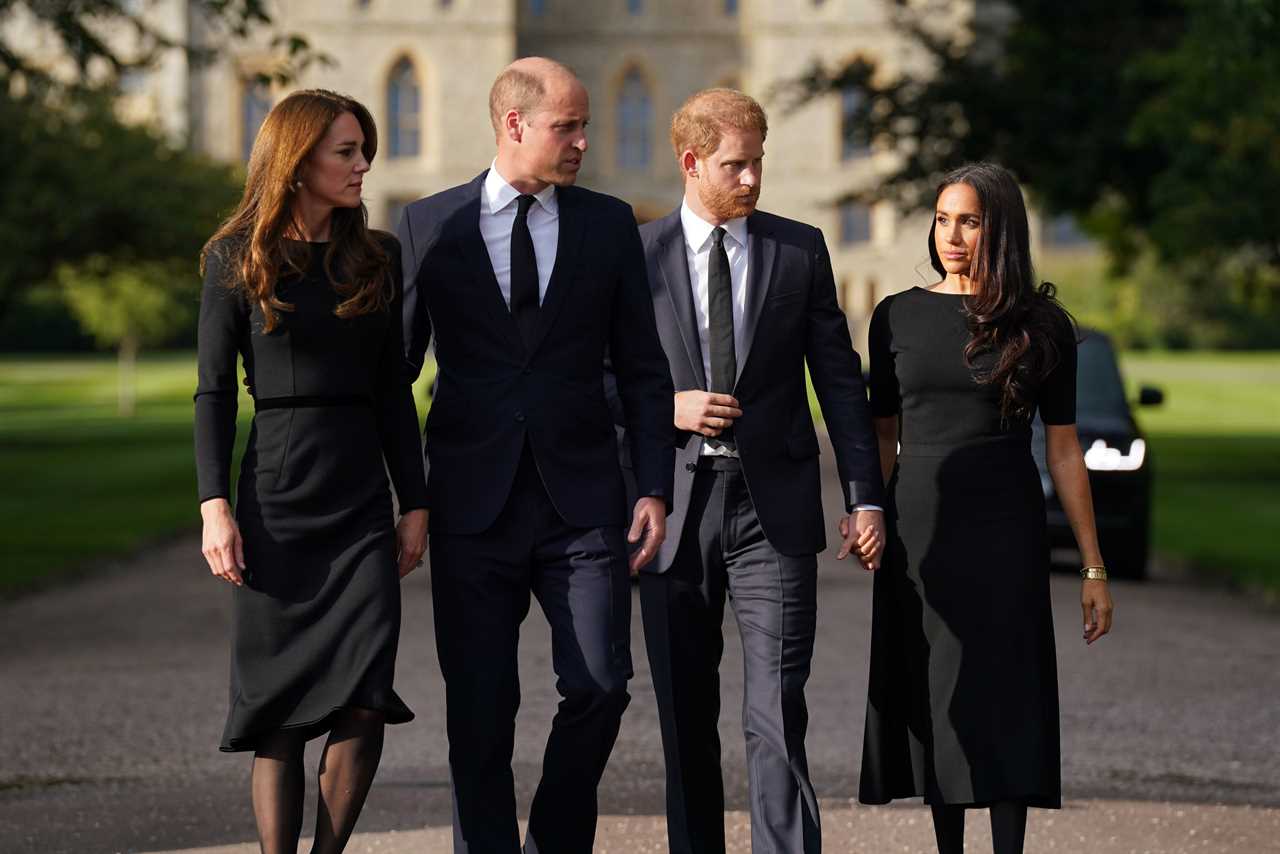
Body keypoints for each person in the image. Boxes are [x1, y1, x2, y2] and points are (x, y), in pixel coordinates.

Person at [395, 58, 674, 854]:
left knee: (601, 686)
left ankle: (555, 837)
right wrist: (404, 494)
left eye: (584, 124)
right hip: (468, 505)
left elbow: (646, 372)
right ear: (514, 125)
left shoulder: (608, 224)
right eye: (568, 126)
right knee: (480, 711)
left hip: (583, 502)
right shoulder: (430, 226)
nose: (584, 140)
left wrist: (651, 486)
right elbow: (396, 375)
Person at [616, 88, 886, 854]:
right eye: (735, 165)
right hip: (673, 512)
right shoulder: (637, 257)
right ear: (691, 161)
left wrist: (866, 497)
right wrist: (670, 406)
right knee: (686, 714)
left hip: (774, 512)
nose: (751, 180)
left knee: (776, 707)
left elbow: (839, 380)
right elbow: (595, 378)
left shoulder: (798, 250)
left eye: (758, 162)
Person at [194, 89, 428, 854]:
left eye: (364, 149)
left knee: (364, 696)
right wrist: (213, 507)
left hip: (359, 498)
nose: (363, 163)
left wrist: (414, 502)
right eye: (346, 151)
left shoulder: (378, 256)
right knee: (282, 709)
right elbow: (214, 391)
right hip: (276, 498)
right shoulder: (237, 257)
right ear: (297, 163)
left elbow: (395, 389)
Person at [858, 162, 1115, 854]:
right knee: (940, 691)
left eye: (969, 220)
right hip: (919, 524)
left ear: (999, 228)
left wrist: (1093, 567)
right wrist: (867, 512)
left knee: (1004, 692)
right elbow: (882, 433)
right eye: (943, 219)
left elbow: (1063, 450)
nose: (952, 235)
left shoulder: (1042, 325)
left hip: (1006, 527)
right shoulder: (896, 316)